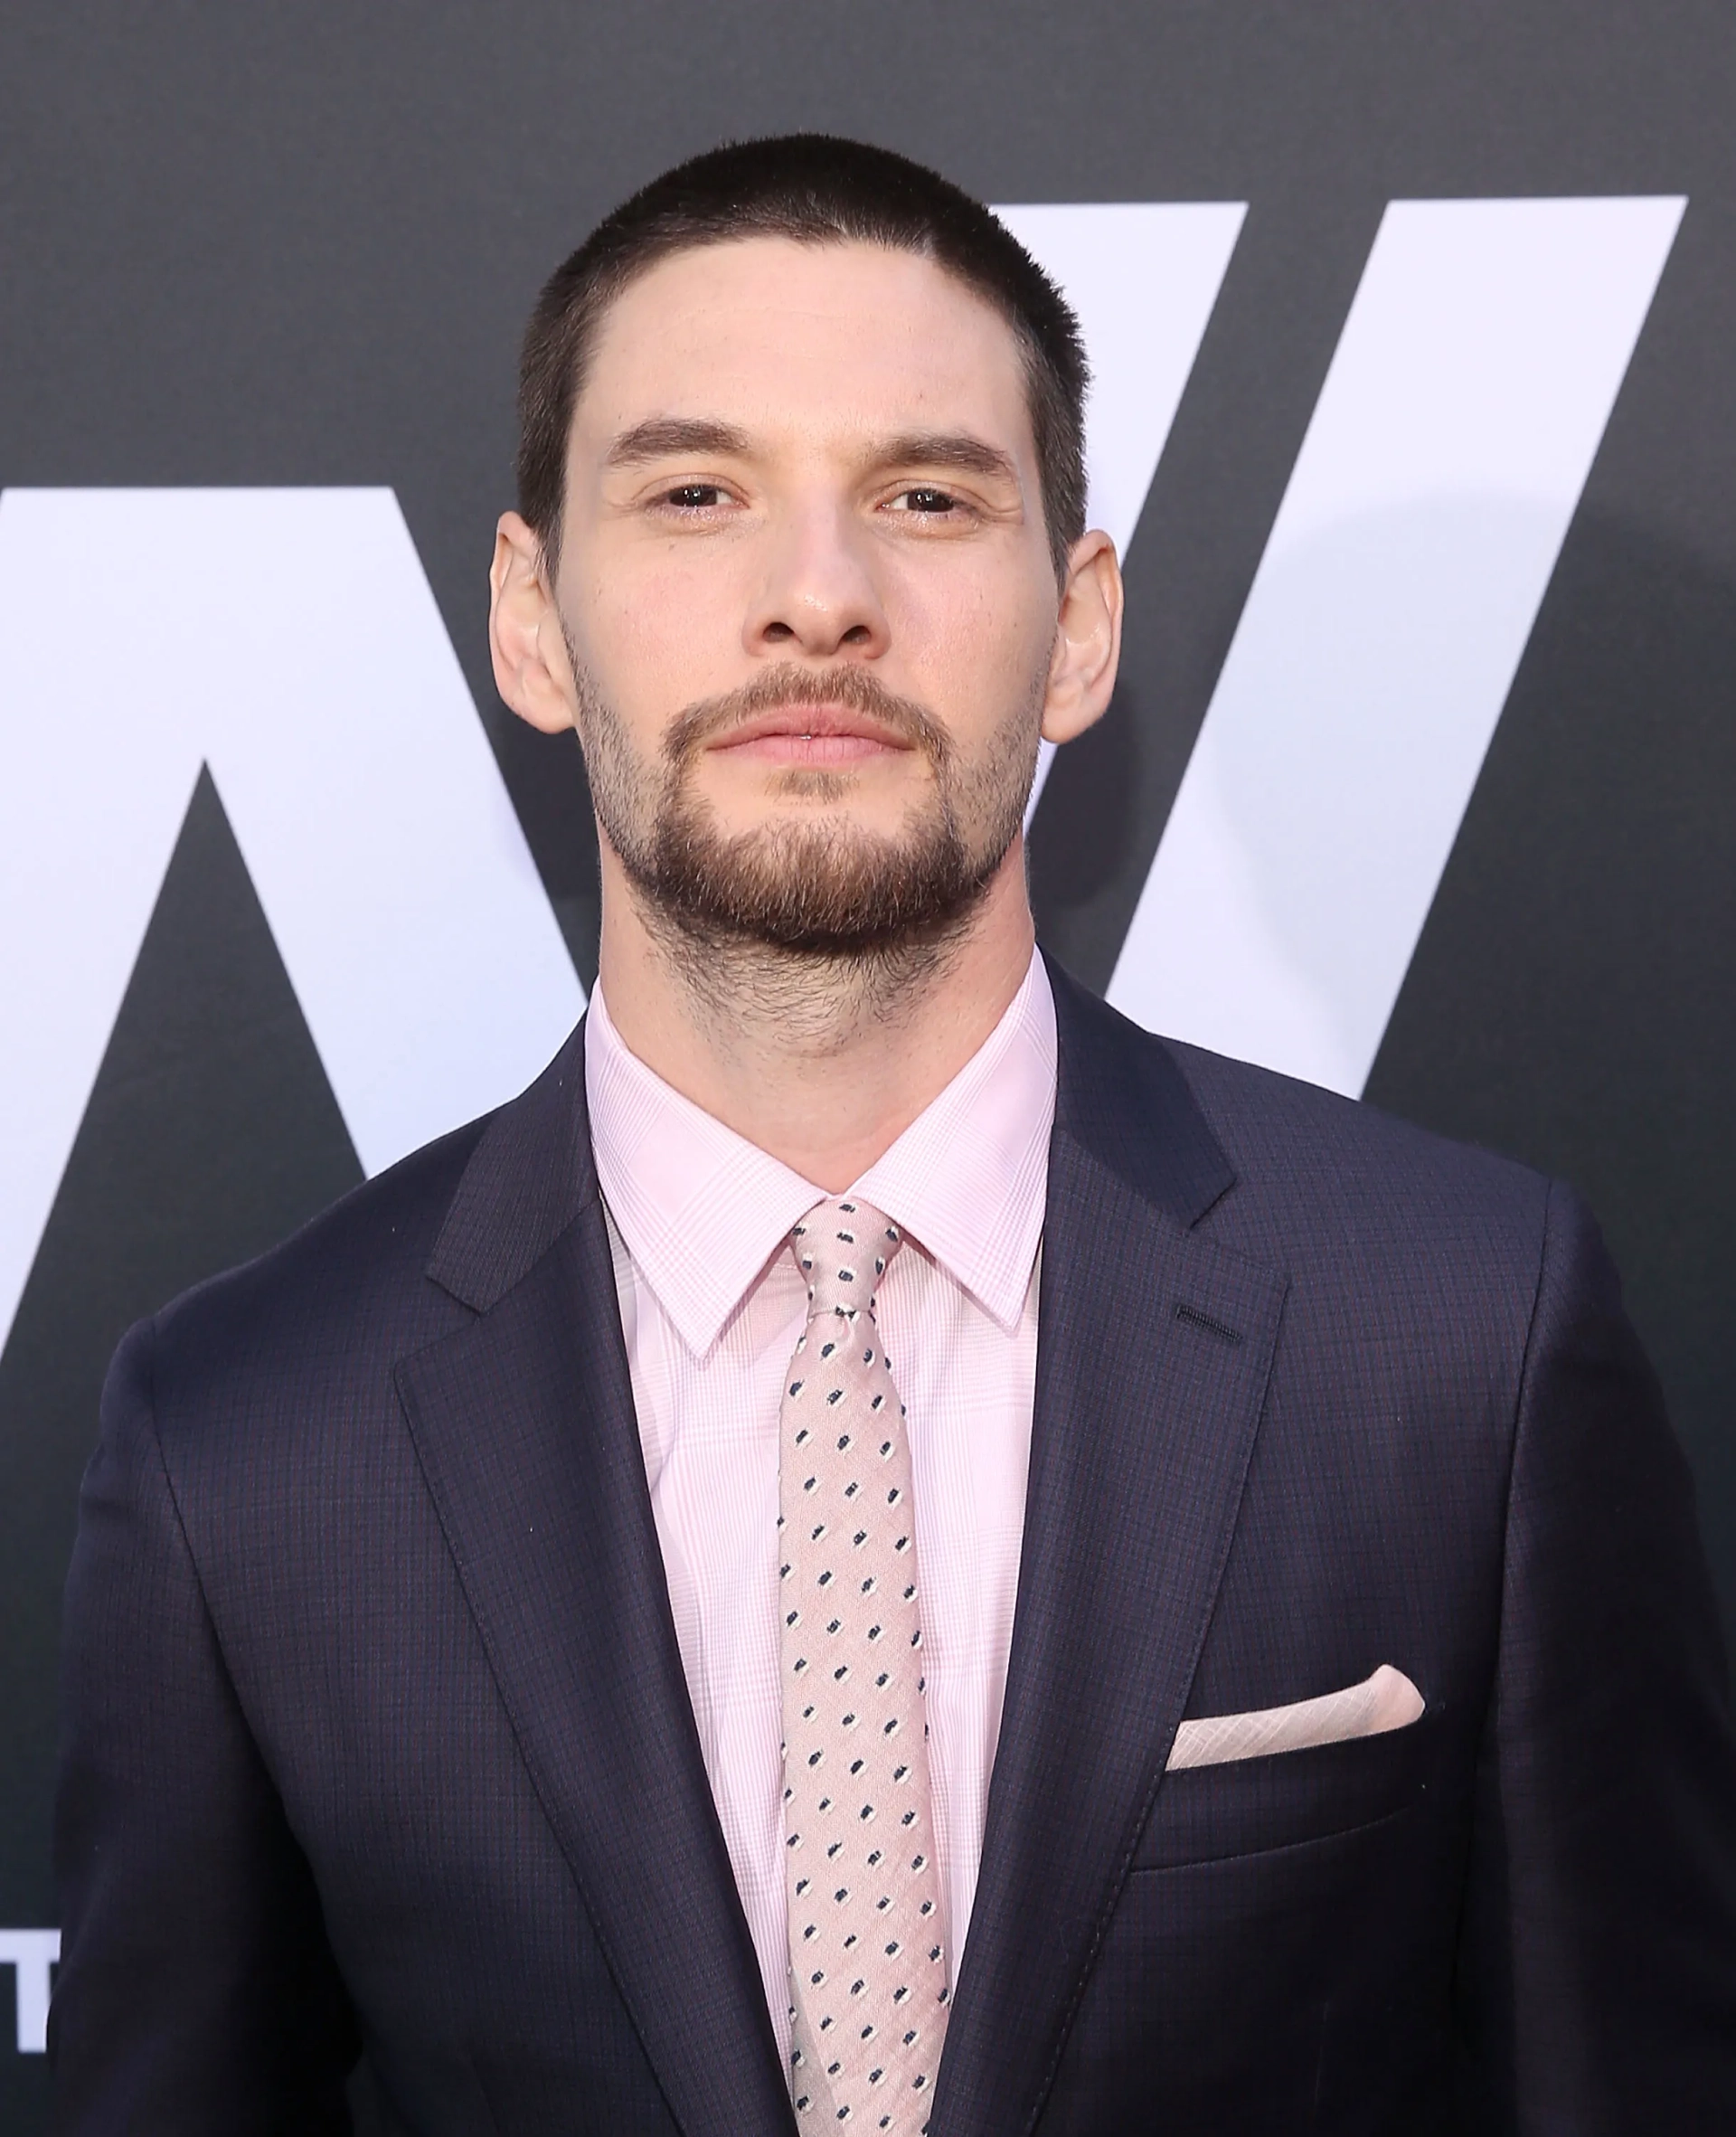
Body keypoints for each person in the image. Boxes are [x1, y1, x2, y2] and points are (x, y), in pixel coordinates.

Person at [51, 134, 1736, 2135]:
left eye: (925, 497)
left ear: (1080, 623)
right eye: (696, 495)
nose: (818, 598)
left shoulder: (1466, 1336)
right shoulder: (247, 1439)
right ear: (526, 617)